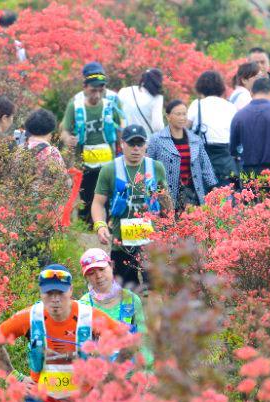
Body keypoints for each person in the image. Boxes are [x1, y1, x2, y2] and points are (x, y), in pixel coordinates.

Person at [0, 264, 129, 402]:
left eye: (60, 293)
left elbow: (127, 342)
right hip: (42, 399)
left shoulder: (89, 316)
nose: (55, 299)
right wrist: (14, 377)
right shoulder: (30, 317)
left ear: (70, 291)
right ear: (40, 292)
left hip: (84, 401)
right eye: (49, 293)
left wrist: (108, 379)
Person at [91, 124, 170, 287]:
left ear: (145, 145)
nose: (136, 148)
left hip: (151, 242)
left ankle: (153, 313)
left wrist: (169, 228)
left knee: (155, 289)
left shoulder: (156, 167)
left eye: (140, 144)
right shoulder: (109, 169)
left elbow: (165, 201)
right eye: (131, 143)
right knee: (126, 290)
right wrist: (100, 226)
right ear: (122, 144)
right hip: (122, 243)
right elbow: (98, 203)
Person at [61, 61, 125, 228]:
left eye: (100, 89)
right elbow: (64, 129)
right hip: (84, 158)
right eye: (93, 89)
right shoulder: (76, 103)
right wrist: (68, 139)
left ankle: (110, 225)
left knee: (110, 192)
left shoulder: (112, 100)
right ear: (85, 85)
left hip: (109, 156)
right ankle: (85, 226)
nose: (97, 94)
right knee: (86, 194)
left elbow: (121, 128)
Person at [78, 247, 153, 369]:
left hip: (129, 376)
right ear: (86, 277)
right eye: (91, 273)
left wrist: (148, 371)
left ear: (111, 266)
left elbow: (142, 338)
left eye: (102, 269)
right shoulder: (84, 304)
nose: (98, 276)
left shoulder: (131, 299)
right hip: (98, 376)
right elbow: (81, 346)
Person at [149, 99, 217, 212]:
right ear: (168, 116)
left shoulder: (195, 140)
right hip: (167, 195)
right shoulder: (157, 140)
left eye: (184, 114)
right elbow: (149, 167)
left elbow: (206, 166)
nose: (182, 118)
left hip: (192, 193)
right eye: (178, 114)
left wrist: (213, 187)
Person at [230, 77, 270, 178]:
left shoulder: (239, 115)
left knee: (250, 194)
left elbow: (233, 148)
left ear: (251, 92)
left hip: (249, 173)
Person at [187, 70, 237, 187]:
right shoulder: (230, 106)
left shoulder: (197, 104)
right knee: (224, 195)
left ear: (200, 87)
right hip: (225, 156)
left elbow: (183, 128)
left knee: (203, 196)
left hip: (203, 155)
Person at [117, 68, 165, 134]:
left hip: (125, 138)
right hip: (145, 140)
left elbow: (116, 114)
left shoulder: (124, 91)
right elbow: (157, 126)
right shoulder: (157, 98)